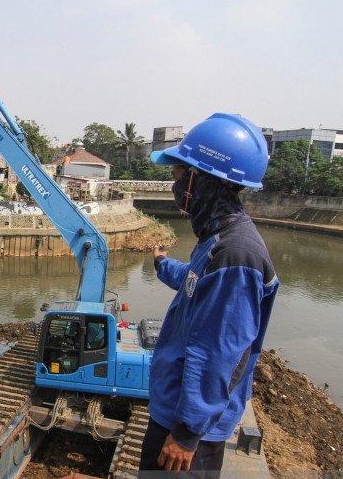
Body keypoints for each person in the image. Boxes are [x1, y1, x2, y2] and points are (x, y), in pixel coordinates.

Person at [139, 113, 279, 477]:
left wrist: (185, 435)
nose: (174, 184)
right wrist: (162, 265)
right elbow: (193, 281)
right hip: (176, 412)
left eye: (177, 175)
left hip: (186, 433)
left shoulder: (235, 255)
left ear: (196, 180)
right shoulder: (216, 242)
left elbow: (221, 351)